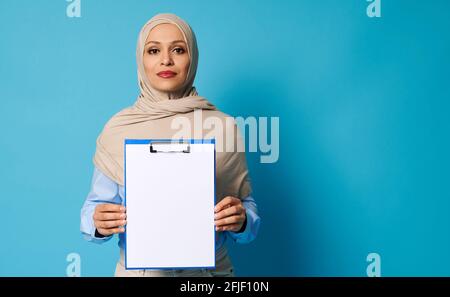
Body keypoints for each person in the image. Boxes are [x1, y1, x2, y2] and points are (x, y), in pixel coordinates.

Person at [80, 13, 261, 277]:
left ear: (193, 58)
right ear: (141, 60)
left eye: (178, 49)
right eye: (153, 50)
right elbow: (92, 210)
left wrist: (242, 220)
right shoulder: (118, 128)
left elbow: (248, 210)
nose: (166, 60)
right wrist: (98, 222)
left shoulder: (223, 126)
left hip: (209, 275)